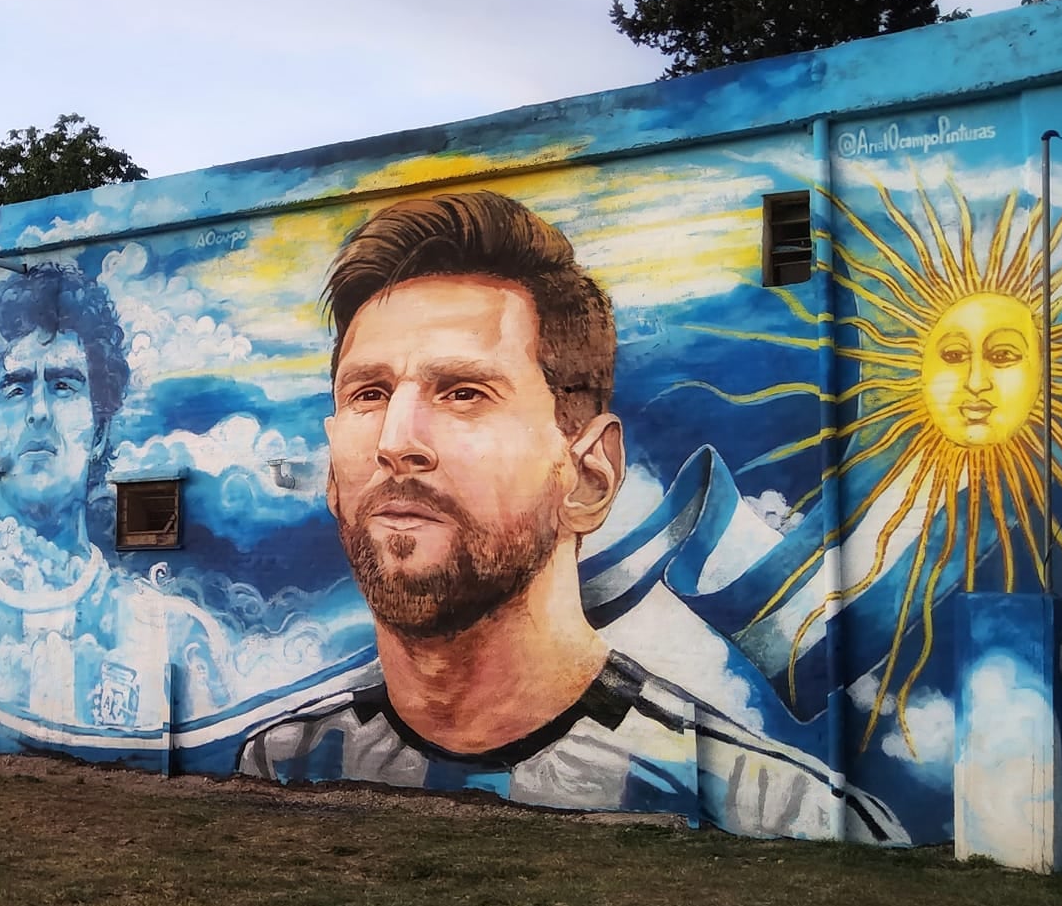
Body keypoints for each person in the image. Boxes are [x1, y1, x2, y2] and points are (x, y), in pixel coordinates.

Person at [237, 189, 903, 842]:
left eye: (464, 392)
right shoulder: (281, 759)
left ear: (588, 478)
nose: (395, 441)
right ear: (332, 473)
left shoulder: (773, 810)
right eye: (370, 392)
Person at [0, 263, 229, 735]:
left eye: (63, 386)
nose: (39, 412)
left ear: (100, 429)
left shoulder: (172, 634)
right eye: (16, 388)